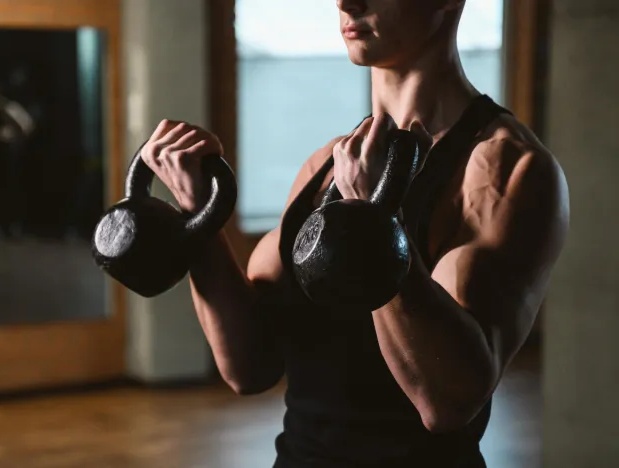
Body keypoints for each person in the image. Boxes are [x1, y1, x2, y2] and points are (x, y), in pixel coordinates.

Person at [140, 1, 569, 466]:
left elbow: (447, 402)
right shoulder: (324, 167)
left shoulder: (508, 171)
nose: (347, 3)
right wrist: (201, 219)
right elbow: (249, 367)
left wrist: (374, 221)